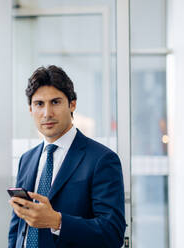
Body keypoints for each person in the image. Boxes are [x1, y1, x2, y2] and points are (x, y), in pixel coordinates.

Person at [8, 65, 126, 248]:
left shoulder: (101, 160)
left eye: (55, 102)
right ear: (30, 109)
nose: (47, 113)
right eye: (39, 104)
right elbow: (17, 227)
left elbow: (112, 233)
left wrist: (57, 221)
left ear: (72, 104)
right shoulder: (27, 159)